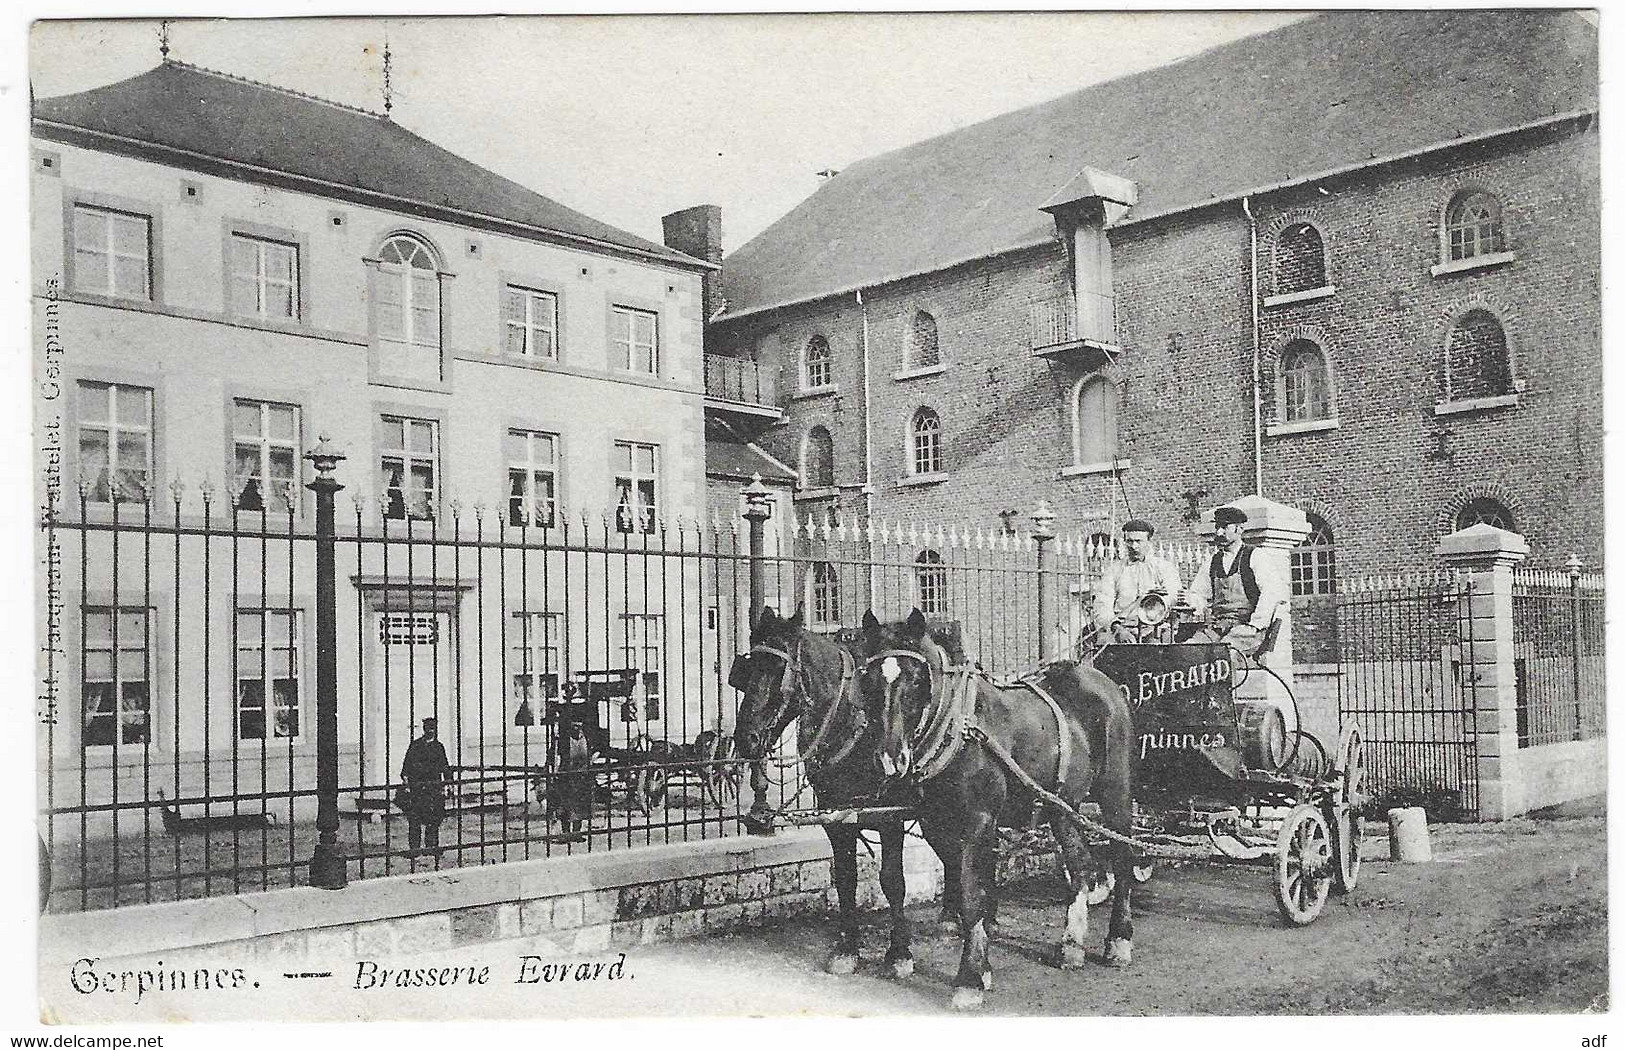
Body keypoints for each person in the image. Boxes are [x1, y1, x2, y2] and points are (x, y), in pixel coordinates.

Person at [1182, 505, 1288, 658]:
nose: (1219, 532)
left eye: (1225, 527)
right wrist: (1190, 601)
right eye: (1218, 527)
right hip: (1217, 628)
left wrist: (1254, 625)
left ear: (1240, 529)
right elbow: (1198, 593)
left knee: (1223, 657)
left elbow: (1271, 593)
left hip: (1247, 630)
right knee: (1187, 653)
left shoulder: (1255, 556)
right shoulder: (1212, 561)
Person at [1093, 519, 1183, 643]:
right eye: (1129, 541)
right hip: (1122, 629)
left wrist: (1157, 598)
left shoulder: (1164, 568)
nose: (1134, 546)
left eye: (1138, 541)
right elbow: (1102, 603)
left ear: (1149, 541)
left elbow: (1174, 596)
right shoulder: (1114, 570)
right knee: (1104, 645)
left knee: (1162, 650)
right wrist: (1117, 628)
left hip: (1155, 629)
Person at [400, 717, 451, 853]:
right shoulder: (415, 746)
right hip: (417, 787)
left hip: (434, 788)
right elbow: (406, 767)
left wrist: (448, 784)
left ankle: (431, 846)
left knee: (433, 819)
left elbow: (445, 767)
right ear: (424, 729)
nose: (430, 730)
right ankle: (414, 848)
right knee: (415, 819)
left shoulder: (439, 747)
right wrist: (406, 785)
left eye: (433, 728)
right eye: (428, 728)